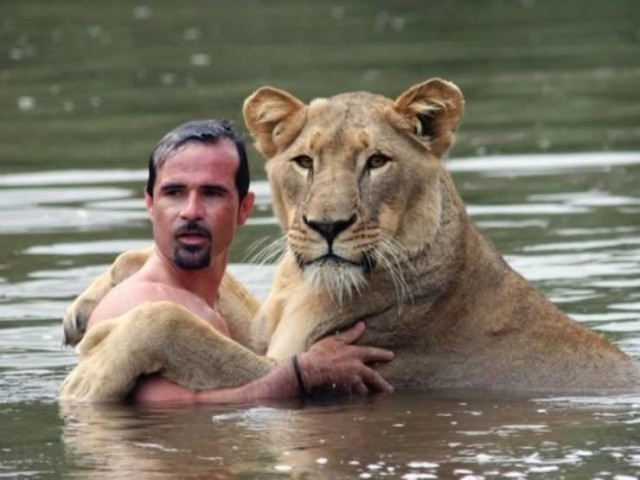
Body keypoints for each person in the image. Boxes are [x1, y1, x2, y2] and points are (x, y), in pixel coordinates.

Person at [84, 119, 394, 403]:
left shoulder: (221, 305)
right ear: (150, 204)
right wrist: (303, 374)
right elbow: (167, 414)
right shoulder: (134, 304)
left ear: (244, 209)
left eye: (212, 193)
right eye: (174, 192)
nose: (191, 210)